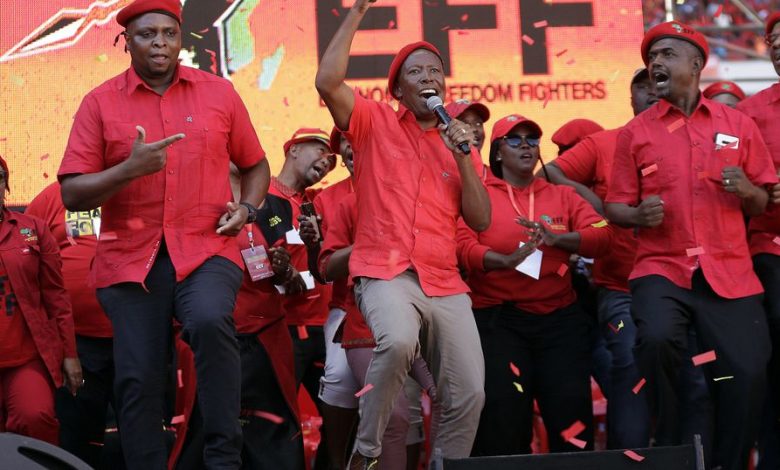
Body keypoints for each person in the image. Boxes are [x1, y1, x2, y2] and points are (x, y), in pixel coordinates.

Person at [57, 0, 270, 467]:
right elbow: (72, 193)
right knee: (138, 376)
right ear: (125, 42)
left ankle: (223, 461)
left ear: (180, 38)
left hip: (206, 248)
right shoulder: (99, 102)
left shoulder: (219, 94)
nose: (160, 43)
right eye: (147, 34)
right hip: (130, 260)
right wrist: (128, 170)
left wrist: (248, 209)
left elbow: (256, 165)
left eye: (169, 34)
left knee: (210, 320)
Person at [315, 1, 490, 467]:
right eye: (416, 72)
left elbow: (480, 222)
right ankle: (367, 451)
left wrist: (463, 159)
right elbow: (327, 82)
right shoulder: (373, 122)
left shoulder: (458, 142)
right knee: (395, 341)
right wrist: (357, 11)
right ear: (397, 88)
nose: (429, 77)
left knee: (469, 392)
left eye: (435, 70)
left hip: (443, 280)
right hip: (385, 271)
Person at [606, 21, 777, 470]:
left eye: (666, 54)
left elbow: (762, 201)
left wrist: (747, 190)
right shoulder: (635, 133)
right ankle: (670, 442)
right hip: (662, 268)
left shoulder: (737, 123)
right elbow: (615, 206)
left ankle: (729, 462)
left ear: (696, 64)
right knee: (656, 340)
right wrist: (636, 215)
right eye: (651, 58)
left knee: (749, 373)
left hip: (730, 270)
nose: (655, 63)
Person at [458, 114, 612, 456]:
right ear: (498, 152)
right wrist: (501, 260)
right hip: (499, 320)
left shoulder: (563, 195)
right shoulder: (480, 194)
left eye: (532, 139)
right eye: (515, 139)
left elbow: (603, 234)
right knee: (506, 415)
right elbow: (461, 245)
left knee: (571, 416)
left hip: (559, 319)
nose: (526, 145)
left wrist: (560, 239)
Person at [542, 69, 657, 450]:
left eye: (656, 84)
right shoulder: (606, 143)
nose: (652, 92)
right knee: (627, 362)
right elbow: (550, 173)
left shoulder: (692, 140)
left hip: (682, 287)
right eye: (642, 86)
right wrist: (597, 205)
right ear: (631, 98)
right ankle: (630, 457)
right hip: (618, 290)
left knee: (692, 373)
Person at [26, 182, 117, 467]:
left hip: (138, 336)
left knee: (139, 433)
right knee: (74, 436)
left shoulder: (138, 188)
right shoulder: (52, 197)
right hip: (73, 343)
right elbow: (24, 244)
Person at [0, 156, 82, 445]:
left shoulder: (33, 229)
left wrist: (70, 355)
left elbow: (56, 295)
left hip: (25, 359)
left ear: (6, 185)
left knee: (35, 417)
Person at [736, 12, 780, 470]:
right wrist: (758, 189)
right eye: (773, 40)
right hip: (769, 245)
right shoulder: (749, 112)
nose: (778, 46)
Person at [445, 100, 491, 181]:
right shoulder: (441, 176)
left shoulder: (497, 177)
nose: (474, 129)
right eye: (464, 124)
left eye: (478, 123)